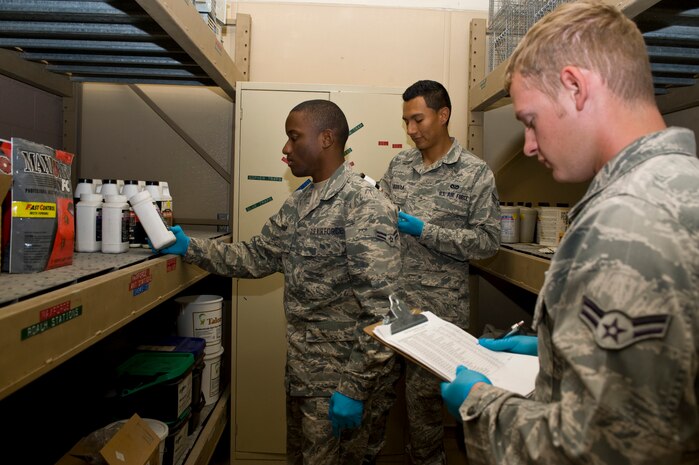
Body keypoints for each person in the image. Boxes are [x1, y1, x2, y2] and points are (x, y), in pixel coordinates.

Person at [440, 1, 699, 464]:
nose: (529, 145)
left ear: (576, 87)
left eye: (530, 120)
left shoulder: (626, 223)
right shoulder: (682, 183)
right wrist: (554, 352)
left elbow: (602, 449)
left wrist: (478, 404)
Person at [158, 99, 404, 464]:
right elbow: (257, 256)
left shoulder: (364, 204)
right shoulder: (299, 203)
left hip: (342, 383)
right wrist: (189, 248)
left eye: (293, 137)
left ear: (326, 138)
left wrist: (353, 387)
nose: (286, 149)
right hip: (304, 375)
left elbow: (385, 311)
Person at [372, 80, 501, 464]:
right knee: (375, 400)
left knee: (425, 414)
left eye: (418, 119)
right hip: (393, 308)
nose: (411, 130)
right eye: (406, 121)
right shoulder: (400, 165)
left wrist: (425, 231)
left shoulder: (475, 174)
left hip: (438, 315)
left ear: (442, 115)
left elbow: (488, 243)